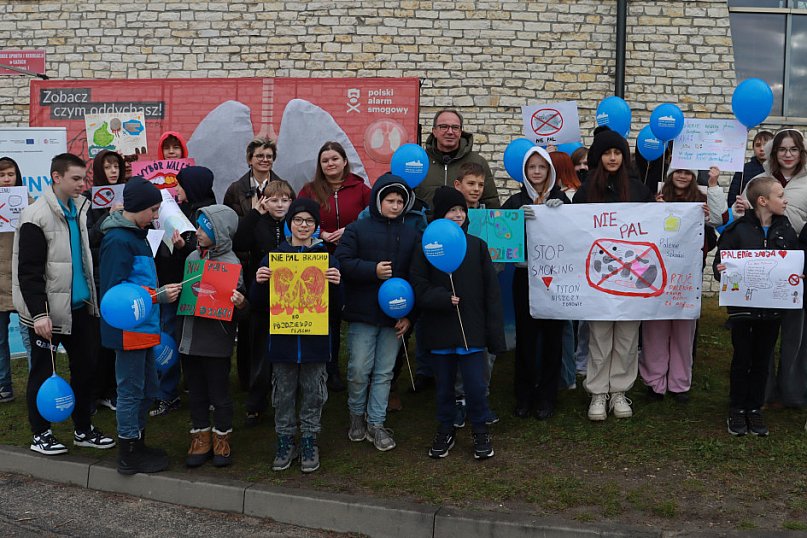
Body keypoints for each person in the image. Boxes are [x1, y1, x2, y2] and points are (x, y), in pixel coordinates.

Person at [13, 153, 115, 455]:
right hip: (47, 314)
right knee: (43, 373)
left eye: (83, 178)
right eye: (75, 178)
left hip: (80, 308)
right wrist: (40, 314)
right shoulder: (35, 216)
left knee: (86, 370)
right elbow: (28, 271)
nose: (82, 184)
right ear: (56, 177)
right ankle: (40, 433)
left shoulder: (80, 210)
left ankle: (83, 428)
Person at [411, 186, 505, 459]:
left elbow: (492, 294)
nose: (458, 215)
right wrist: (441, 298)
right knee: (444, 388)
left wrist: (494, 336)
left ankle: (479, 430)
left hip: (472, 333)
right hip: (440, 332)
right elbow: (418, 285)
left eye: (462, 210)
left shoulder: (477, 246)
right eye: (452, 210)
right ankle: (445, 428)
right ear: (440, 214)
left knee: (476, 387)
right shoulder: (426, 247)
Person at [251, 198, 341, 473]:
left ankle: (310, 440)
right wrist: (259, 282)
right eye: (298, 220)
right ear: (290, 223)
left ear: (316, 226)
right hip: (283, 342)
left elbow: (337, 307)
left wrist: (337, 284)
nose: (303, 225)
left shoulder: (326, 259)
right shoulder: (274, 258)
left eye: (309, 221)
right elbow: (258, 304)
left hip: (315, 342)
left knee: (314, 392)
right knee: (283, 393)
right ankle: (285, 439)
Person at [99, 177, 182, 474]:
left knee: (149, 389)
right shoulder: (118, 241)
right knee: (131, 390)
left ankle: (139, 441)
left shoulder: (138, 235)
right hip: (128, 330)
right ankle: (128, 453)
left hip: (145, 326)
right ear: (138, 208)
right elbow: (114, 293)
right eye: (153, 210)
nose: (156, 216)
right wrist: (157, 296)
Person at [334, 174, 418, 452]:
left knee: (384, 372)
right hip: (363, 312)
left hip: (394, 318)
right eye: (390, 200)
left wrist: (409, 315)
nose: (395, 206)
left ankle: (377, 423)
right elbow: (342, 263)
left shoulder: (411, 233)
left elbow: (416, 276)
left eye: (400, 202)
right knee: (359, 369)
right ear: (377, 200)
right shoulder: (358, 229)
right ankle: (356, 415)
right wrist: (372, 270)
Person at [574, 129, 653, 421]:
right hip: (600, 277)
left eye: (617, 152)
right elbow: (573, 230)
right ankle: (597, 393)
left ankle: (619, 391)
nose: (612, 158)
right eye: (607, 153)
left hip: (632, 277)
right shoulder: (585, 191)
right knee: (600, 336)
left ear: (624, 156)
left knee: (627, 338)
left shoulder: (638, 190)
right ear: (598, 156)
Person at [714, 176, 798, 436]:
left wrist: (797, 276)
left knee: (763, 359)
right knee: (742, 358)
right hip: (742, 311)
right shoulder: (736, 230)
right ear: (763, 201)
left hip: (772, 311)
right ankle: (737, 408)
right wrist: (722, 270)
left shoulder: (786, 230)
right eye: (780, 195)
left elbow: (794, 264)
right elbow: (720, 267)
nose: (785, 201)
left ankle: (754, 408)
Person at [735, 129, 807, 409]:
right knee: (761, 332)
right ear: (773, 152)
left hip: (798, 267)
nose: (788, 155)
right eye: (782, 149)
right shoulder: (758, 179)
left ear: (801, 153)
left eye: (794, 149)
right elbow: (741, 217)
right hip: (761, 267)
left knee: (796, 334)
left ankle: (792, 392)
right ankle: (760, 392)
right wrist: (739, 208)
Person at [640, 167, 720, 403]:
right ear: (670, 175)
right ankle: (655, 382)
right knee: (655, 327)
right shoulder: (657, 200)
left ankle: (679, 383)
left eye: (688, 173)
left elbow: (714, 234)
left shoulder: (701, 202)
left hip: (687, 275)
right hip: (656, 273)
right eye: (678, 172)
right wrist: (653, 211)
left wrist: (705, 220)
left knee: (684, 331)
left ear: (694, 177)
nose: (683, 177)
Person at [502, 147, 570, 419]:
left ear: (550, 171)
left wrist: (563, 212)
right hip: (525, 276)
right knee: (526, 337)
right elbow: (501, 236)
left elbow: (573, 235)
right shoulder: (515, 200)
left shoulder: (561, 199)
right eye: (532, 167)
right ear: (525, 172)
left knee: (553, 338)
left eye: (542, 167)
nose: (537, 172)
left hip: (555, 278)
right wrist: (515, 219)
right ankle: (524, 394)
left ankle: (547, 396)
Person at [299, 141, 371, 393]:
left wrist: (348, 231)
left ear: (344, 161)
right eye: (325, 160)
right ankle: (330, 371)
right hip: (320, 260)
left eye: (334, 159)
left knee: (354, 314)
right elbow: (299, 217)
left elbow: (372, 214)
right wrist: (322, 233)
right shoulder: (310, 190)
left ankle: (359, 367)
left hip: (353, 259)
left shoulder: (361, 188)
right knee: (327, 319)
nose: (330, 164)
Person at [179, 205, 247, 468]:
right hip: (190, 338)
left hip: (216, 342)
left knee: (219, 395)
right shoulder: (191, 259)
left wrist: (240, 303)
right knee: (195, 393)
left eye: (203, 228)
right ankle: (200, 437)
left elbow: (239, 309)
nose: (197, 232)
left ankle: (222, 437)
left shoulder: (232, 264)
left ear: (219, 232)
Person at [150, 166, 214, 418]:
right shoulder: (177, 211)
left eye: (181, 185)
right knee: (169, 338)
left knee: (197, 342)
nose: (177, 190)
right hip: (171, 286)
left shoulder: (208, 213)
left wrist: (182, 246)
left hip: (195, 288)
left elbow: (205, 254)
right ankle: (168, 393)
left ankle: (200, 391)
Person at [224, 138, 287, 393]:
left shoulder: (282, 186)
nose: (264, 160)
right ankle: (247, 380)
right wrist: (253, 215)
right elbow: (230, 225)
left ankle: (275, 377)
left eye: (269, 155)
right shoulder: (235, 189)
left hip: (276, 266)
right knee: (248, 326)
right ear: (250, 159)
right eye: (259, 155)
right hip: (245, 266)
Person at [232, 179, 295, 426]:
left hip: (290, 298)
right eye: (273, 200)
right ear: (264, 201)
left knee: (287, 348)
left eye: (284, 200)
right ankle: (256, 402)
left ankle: (286, 396)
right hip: (262, 296)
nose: (279, 205)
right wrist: (255, 213)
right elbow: (239, 243)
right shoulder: (256, 221)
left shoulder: (296, 223)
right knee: (260, 351)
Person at [85, 149, 127, 413]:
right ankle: (93, 393)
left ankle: (111, 390)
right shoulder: (88, 200)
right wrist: (109, 216)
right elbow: (88, 239)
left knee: (115, 338)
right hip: (98, 277)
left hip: (120, 275)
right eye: (108, 167)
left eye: (116, 167)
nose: (113, 171)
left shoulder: (127, 196)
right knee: (94, 342)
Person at [416, 109, 500, 208]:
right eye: (444, 127)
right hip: (427, 223)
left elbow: (491, 202)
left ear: (460, 132)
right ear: (434, 131)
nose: (450, 132)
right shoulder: (420, 162)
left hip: (467, 222)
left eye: (455, 127)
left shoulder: (478, 162)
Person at [0, 157, 26, 403]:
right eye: (2, 175)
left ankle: (36, 382)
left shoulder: (27, 203)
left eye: (10, 174)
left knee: (30, 338)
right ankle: (3, 386)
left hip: (22, 280)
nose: (7, 179)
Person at [727, 130, 773, 207]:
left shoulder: (778, 168)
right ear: (753, 148)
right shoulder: (744, 168)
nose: (762, 149)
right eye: (758, 145)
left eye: (765, 145)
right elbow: (733, 194)